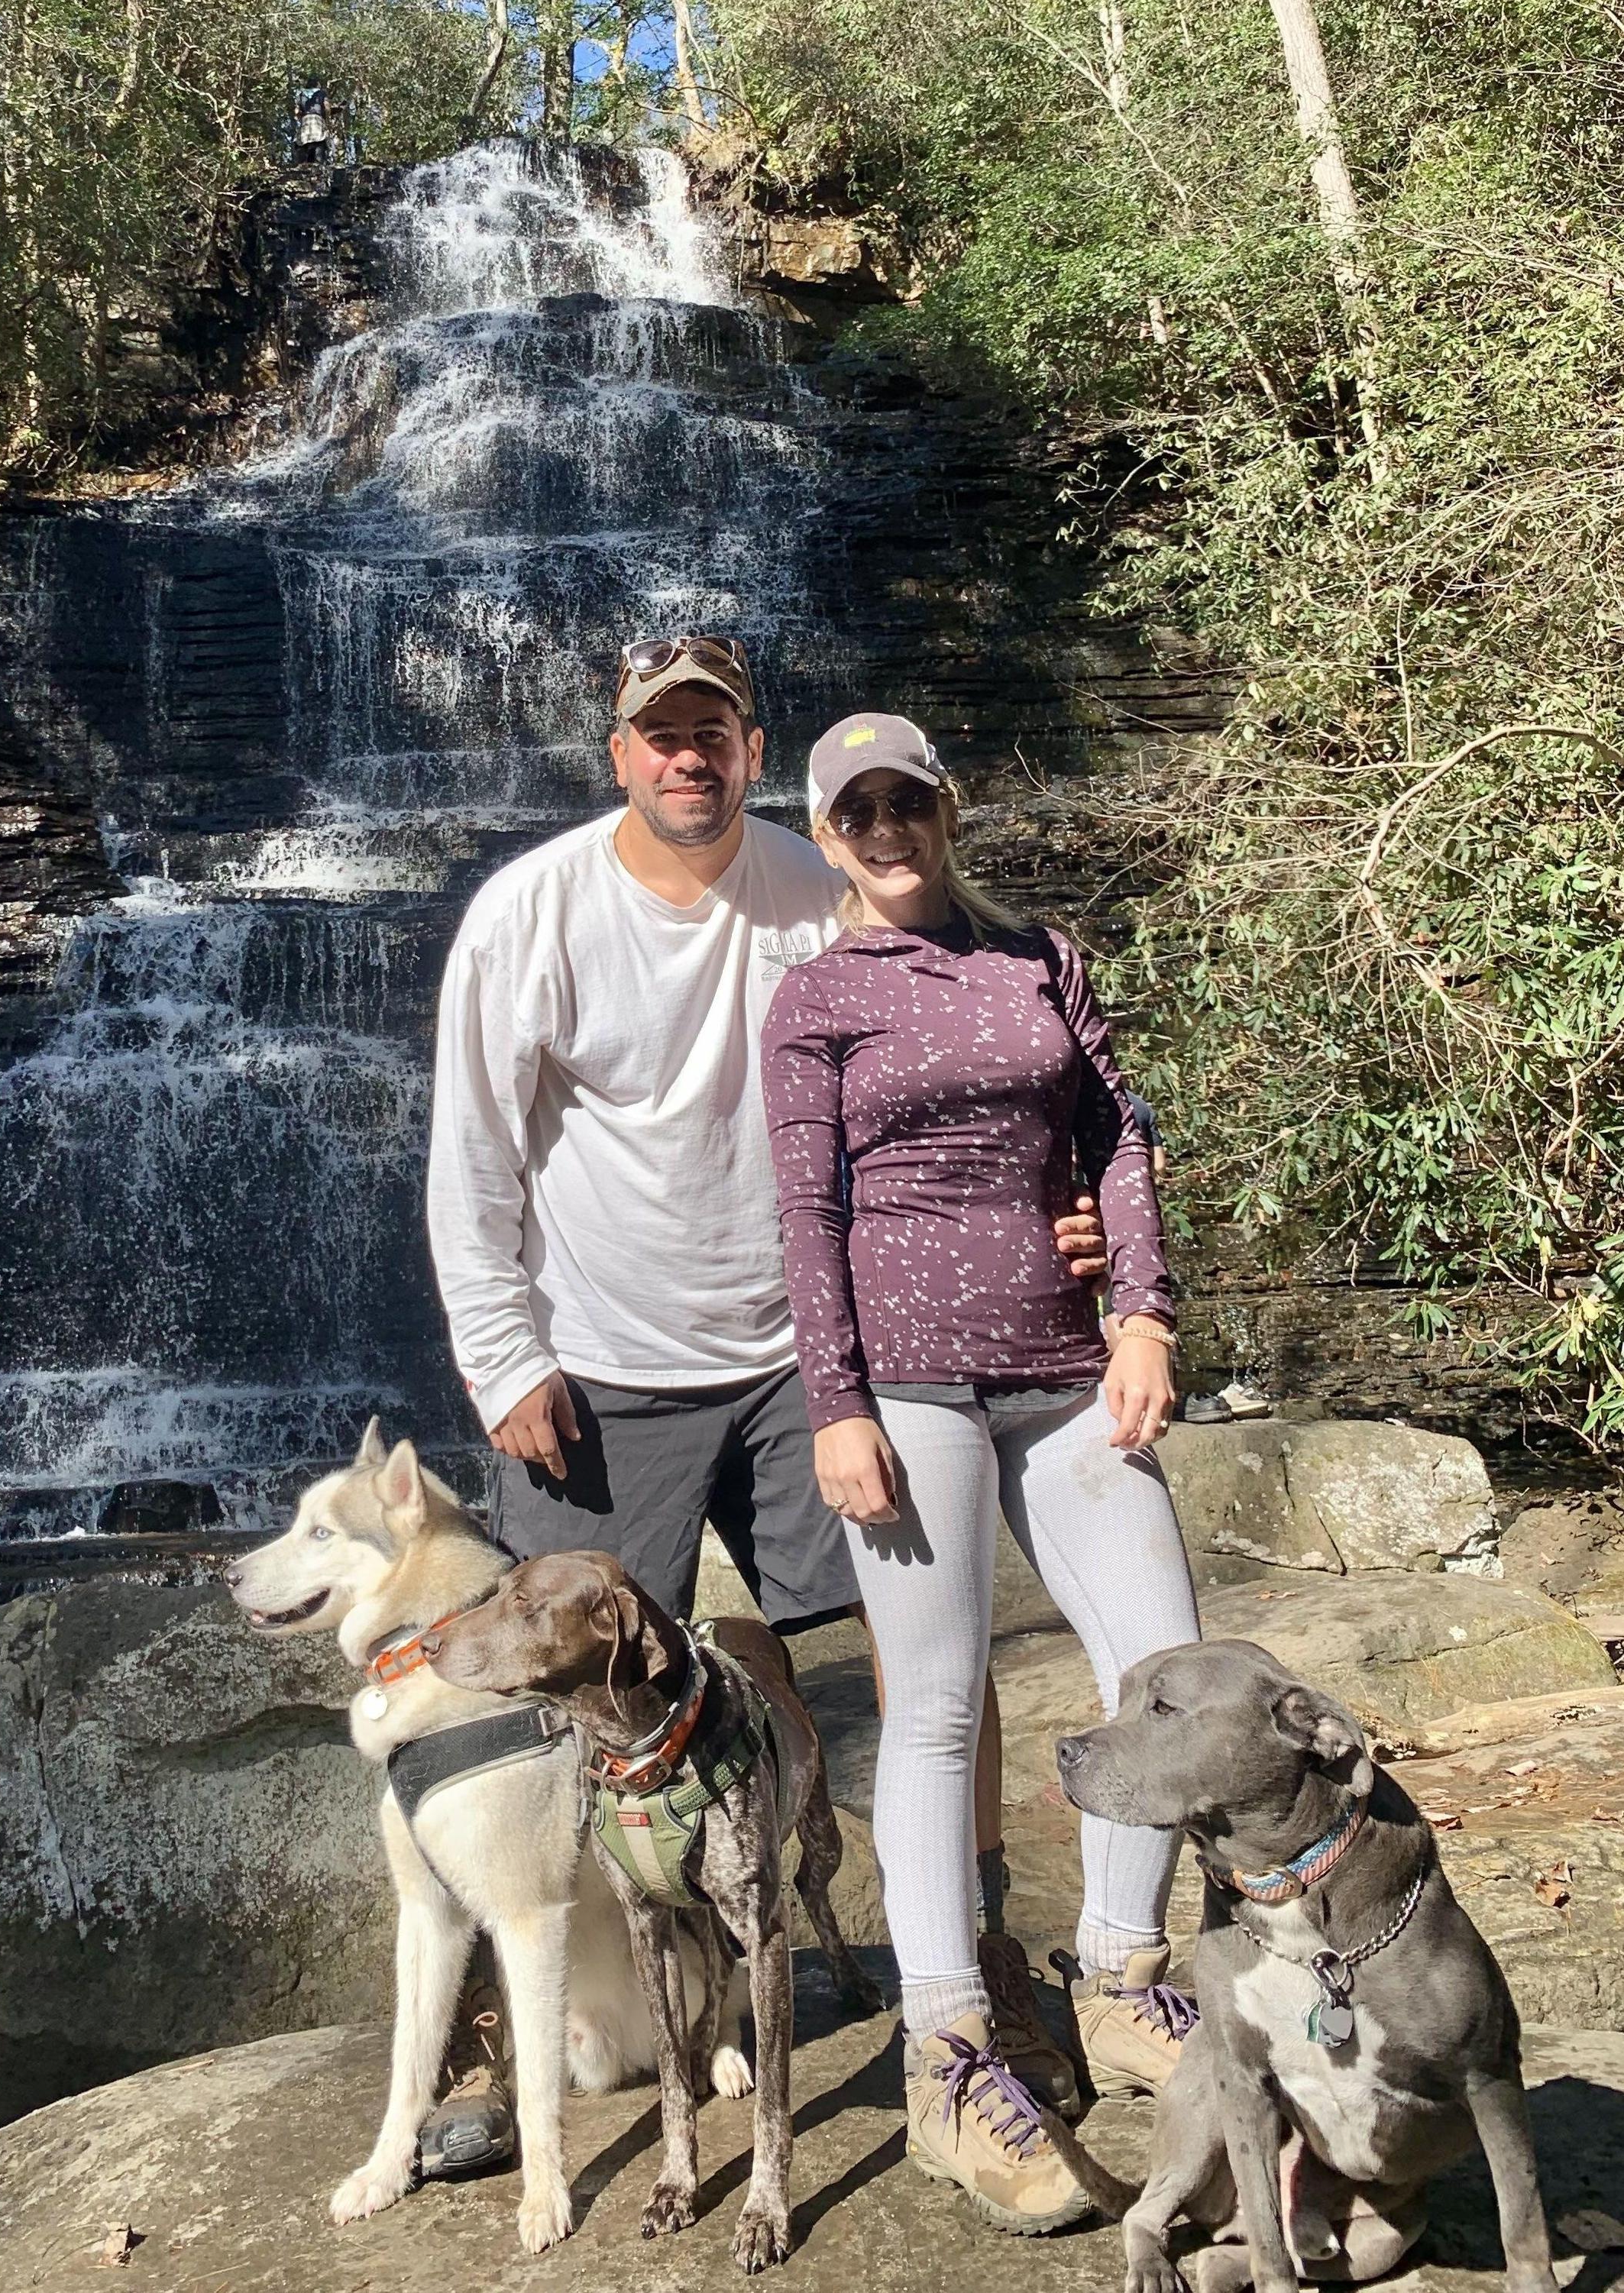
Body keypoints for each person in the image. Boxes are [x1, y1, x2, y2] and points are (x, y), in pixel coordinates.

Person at [422, 642, 1111, 2165]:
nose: (687, 759)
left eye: (713, 733)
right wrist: (503, 1353)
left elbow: (981, 1049)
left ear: (748, 749)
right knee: (548, 1695)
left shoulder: (822, 882)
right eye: (659, 734)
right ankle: (498, 2029)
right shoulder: (528, 914)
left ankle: (980, 1964)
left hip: (823, 1350)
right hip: (600, 1369)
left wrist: (1069, 1210)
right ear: (617, 753)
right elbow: (471, 1150)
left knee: (913, 1653)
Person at [762, 710, 1205, 2233]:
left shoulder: (1037, 956)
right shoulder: (814, 995)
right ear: (824, 835)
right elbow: (804, 1212)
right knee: (936, 1704)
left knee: (1163, 1668)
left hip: (1063, 1367)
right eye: (854, 811)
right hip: (906, 1383)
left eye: (908, 800)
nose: (886, 828)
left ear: (944, 810)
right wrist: (834, 1403)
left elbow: (1116, 1132)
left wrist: (1140, 1308)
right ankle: (945, 2049)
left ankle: (1119, 1973)